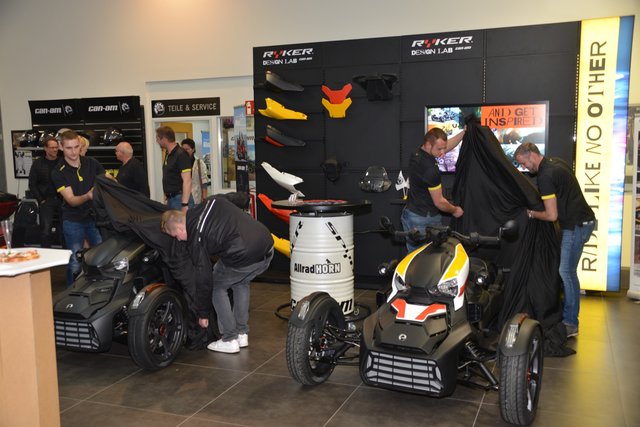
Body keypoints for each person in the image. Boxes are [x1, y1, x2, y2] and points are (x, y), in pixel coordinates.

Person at [160, 197, 274, 354]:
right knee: (240, 282)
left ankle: (229, 339)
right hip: (267, 246)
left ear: (180, 228)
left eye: (175, 236)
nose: (178, 239)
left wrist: (203, 314)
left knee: (217, 287)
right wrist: (243, 196)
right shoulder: (211, 201)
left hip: (244, 254)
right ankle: (242, 333)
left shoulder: (196, 238)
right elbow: (233, 198)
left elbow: (204, 278)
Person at [514, 142, 595, 338]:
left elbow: (551, 216)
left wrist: (531, 213)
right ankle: (569, 318)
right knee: (568, 271)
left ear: (531, 155)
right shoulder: (555, 163)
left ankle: (570, 323)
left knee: (566, 272)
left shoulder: (545, 176)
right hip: (583, 221)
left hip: (576, 226)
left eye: (523, 163)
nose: (524, 168)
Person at [51, 130, 105, 286]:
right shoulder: (58, 172)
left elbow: (107, 180)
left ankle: (100, 290)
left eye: (76, 147)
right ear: (61, 147)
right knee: (75, 262)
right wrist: (88, 195)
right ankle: (71, 292)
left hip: (94, 218)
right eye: (69, 148)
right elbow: (71, 200)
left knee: (100, 258)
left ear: (80, 146)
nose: (74, 152)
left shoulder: (92, 163)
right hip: (73, 220)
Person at [401, 127, 465, 252]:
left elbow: (444, 146)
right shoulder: (430, 170)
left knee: (418, 258)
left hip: (412, 213)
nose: (443, 153)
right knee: (426, 259)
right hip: (423, 220)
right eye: (439, 149)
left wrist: (463, 133)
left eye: (443, 148)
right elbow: (439, 202)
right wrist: (455, 210)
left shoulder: (417, 153)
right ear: (428, 145)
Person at [27, 135, 61, 248]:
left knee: (65, 229)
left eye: (56, 147)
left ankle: (66, 255)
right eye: (52, 147)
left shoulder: (62, 162)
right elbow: (32, 183)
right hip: (46, 200)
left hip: (63, 199)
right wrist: (40, 200)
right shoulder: (38, 163)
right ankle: (46, 254)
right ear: (45, 148)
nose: (55, 149)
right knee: (46, 230)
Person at [155, 126, 193, 211]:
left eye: (157, 139)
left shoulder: (181, 154)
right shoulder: (169, 154)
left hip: (180, 200)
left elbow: (187, 180)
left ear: (164, 139)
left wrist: (184, 204)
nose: (157, 141)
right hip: (172, 199)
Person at [180, 138, 209, 204]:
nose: (184, 152)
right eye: (183, 150)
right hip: (181, 196)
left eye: (187, 149)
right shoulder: (179, 162)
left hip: (195, 196)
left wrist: (204, 198)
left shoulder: (199, 163)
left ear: (193, 149)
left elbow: (204, 181)